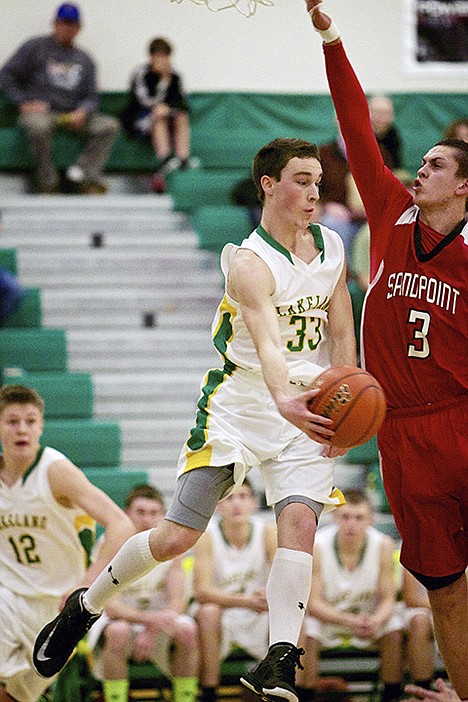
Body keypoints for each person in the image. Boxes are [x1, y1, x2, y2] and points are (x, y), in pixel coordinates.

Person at [33, 134, 357, 702]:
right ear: (269, 185)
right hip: (241, 402)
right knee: (177, 536)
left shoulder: (331, 244)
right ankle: (84, 607)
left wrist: (345, 397)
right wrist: (283, 398)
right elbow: (268, 347)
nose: (314, 191)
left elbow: (341, 327)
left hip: (303, 403)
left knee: (301, 525)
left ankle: (279, 657)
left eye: (318, 181)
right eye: (301, 181)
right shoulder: (249, 263)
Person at [306, 1, 468, 698]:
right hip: (398, 428)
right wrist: (332, 39)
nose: (420, 169)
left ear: (464, 186)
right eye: (421, 162)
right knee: (444, 589)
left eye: (435, 165)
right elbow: (353, 128)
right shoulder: (390, 211)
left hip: (460, 416)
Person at [0, 384, 135, 702]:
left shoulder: (56, 471)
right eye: (12, 421)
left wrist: (87, 585)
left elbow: (121, 524)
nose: (22, 429)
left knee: (14, 697)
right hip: (7, 598)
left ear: (41, 426)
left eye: (30, 421)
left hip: (56, 610)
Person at [87, 484, 198, 702]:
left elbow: (178, 600)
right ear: (127, 513)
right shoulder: (107, 546)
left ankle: (185, 698)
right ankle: (116, 698)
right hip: (121, 619)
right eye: (140, 512)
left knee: (188, 630)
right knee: (118, 631)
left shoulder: (173, 547)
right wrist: (151, 621)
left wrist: (154, 628)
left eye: (154, 513)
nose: (147, 519)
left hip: (159, 619)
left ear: (164, 516)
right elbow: (111, 606)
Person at [296, 490, 404, 702]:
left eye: (359, 518)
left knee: (394, 627)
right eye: (345, 517)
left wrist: (376, 620)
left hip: (368, 619)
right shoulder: (318, 545)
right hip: (329, 619)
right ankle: (304, 694)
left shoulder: (383, 544)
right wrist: (350, 620)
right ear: (335, 517)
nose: (351, 524)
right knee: (308, 629)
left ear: (371, 520)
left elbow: (388, 598)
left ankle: (391, 695)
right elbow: (313, 603)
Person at [0, 3, 119, 194]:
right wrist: (23, 102)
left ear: (79, 27)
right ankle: (48, 182)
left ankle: (83, 176)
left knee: (108, 125)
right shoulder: (35, 47)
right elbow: (5, 76)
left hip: (73, 114)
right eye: (63, 23)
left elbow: (92, 96)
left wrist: (83, 111)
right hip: (43, 113)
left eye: (72, 24)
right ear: (54, 23)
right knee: (37, 126)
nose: (67, 28)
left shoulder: (85, 59)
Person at [191, 478, 277, 702]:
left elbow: (282, 578)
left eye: (243, 497)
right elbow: (202, 592)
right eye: (229, 498)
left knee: (292, 615)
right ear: (218, 505)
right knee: (208, 612)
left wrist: (268, 595)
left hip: (257, 609)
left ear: (254, 503)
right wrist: (247, 601)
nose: (236, 504)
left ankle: (279, 689)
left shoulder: (267, 532)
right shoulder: (206, 536)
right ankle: (209, 692)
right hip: (222, 610)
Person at [121, 36, 197, 194]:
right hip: (141, 121)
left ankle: (183, 159)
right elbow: (144, 101)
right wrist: (163, 82)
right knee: (158, 116)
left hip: (168, 120)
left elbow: (183, 104)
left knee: (180, 116)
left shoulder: (175, 76)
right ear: (151, 57)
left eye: (166, 56)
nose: (163, 60)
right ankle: (165, 160)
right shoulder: (140, 73)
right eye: (159, 56)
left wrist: (168, 108)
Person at [368, 95, 402, 171]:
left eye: (385, 113)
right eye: (377, 113)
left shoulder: (393, 135)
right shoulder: (362, 136)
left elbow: (396, 165)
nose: (381, 118)